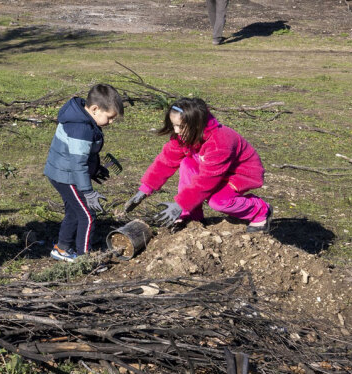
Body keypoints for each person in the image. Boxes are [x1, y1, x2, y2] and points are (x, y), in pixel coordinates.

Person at [121, 98, 272, 233]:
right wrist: (145, 188)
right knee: (186, 163)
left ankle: (260, 210)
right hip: (211, 169)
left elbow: (207, 181)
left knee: (218, 201)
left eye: (180, 126)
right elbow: (166, 160)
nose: (176, 131)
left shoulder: (219, 142)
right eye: (174, 125)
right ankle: (192, 216)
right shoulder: (185, 134)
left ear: (197, 124)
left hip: (239, 174)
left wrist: (181, 204)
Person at [44, 84, 123, 262]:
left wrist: (95, 169)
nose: (111, 122)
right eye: (110, 117)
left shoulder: (82, 117)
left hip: (63, 172)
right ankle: (84, 259)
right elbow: (78, 163)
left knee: (74, 211)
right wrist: (88, 192)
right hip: (66, 176)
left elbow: (82, 155)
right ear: (95, 109)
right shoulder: (81, 129)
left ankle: (62, 248)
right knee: (88, 215)